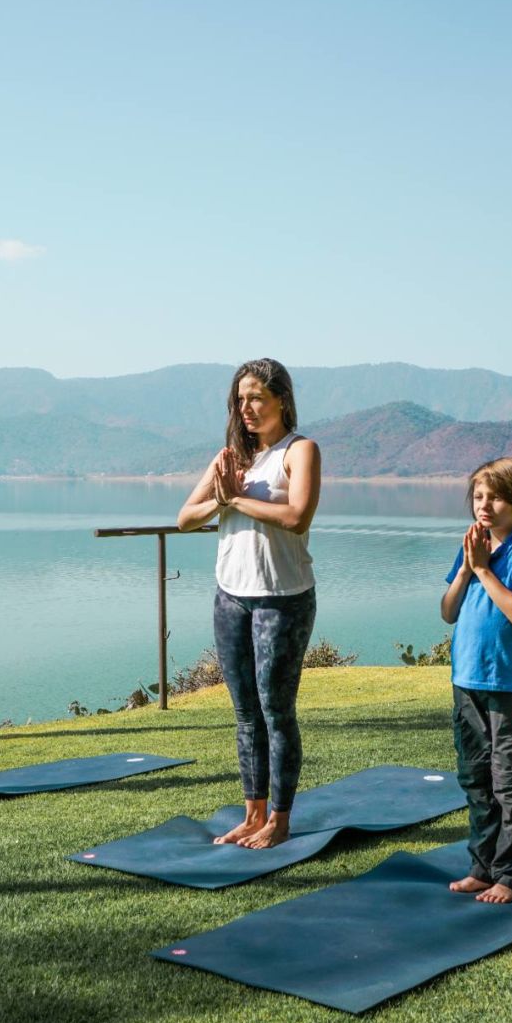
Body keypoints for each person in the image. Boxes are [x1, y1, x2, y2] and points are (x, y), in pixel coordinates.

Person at [178, 358, 321, 849]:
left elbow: (297, 516)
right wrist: (223, 498)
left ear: (282, 398)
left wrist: (236, 501)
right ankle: (251, 813)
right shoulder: (230, 458)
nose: (247, 408)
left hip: (282, 600)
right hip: (230, 598)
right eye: (240, 399)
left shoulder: (299, 451)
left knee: (276, 712)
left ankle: (279, 820)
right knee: (245, 714)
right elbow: (185, 518)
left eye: (257, 397)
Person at [440, 457, 512, 903]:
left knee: (510, 781)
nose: (484, 505)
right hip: (466, 681)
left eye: (496, 497)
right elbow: (448, 611)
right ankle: (482, 868)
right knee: (475, 778)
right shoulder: (471, 547)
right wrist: (467, 567)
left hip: (507, 687)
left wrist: (484, 568)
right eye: (479, 496)